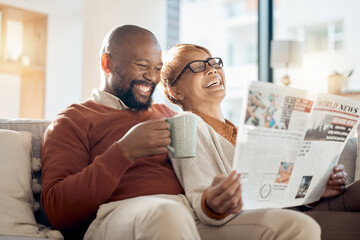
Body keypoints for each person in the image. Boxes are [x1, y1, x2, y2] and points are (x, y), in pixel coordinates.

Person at [41, 25, 319, 240]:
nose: (151, 76)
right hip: (118, 214)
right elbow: (55, 209)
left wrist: (215, 201)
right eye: (142, 66)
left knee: (296, 227)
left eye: (158, 68)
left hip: (188, 215)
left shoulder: (172, 116)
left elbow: (206, 178)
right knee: (167, 214)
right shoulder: (73, 119)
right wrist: (123, 152)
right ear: (107, 64)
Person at [160, 43, 360, 240]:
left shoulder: (243, 131)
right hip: (243, 220)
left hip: (294, 208)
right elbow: (199, 198)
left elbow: (278, 187)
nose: (212, 69)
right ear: (175, 91)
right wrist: (211, 204)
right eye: (196, 66)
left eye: (213, 63)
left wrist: (314, 190)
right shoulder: (181, 126)